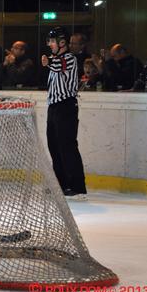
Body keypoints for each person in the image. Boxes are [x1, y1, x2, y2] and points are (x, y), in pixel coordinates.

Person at [41, 27, 87, 200]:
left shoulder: (69, 58)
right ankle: (60, 184)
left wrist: (48, 62)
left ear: (62, 43)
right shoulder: (55, 59)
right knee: (54, 146)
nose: (50, 44)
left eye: (53, 41)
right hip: (53, 107)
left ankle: (77, 187)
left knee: (67, 145)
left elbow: (59, 66)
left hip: (66, 106)